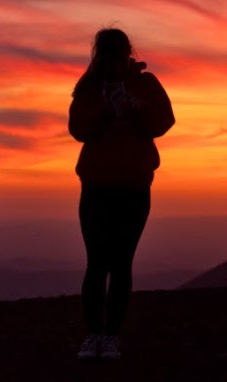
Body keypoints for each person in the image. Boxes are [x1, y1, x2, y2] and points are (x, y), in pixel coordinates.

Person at [68, 28, 176, 361]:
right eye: (109, 52)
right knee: (98, 263)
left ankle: (111, 335)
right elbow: (78, 130)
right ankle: (93, 335)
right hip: (97, 187)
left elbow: (164, 122)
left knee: (120, 263)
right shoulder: (88, 87)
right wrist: (104, 108)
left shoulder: (146, 84)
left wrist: (136, 107)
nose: (115, 59)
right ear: (100, 54)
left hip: (134, 186)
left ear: (128, 51)